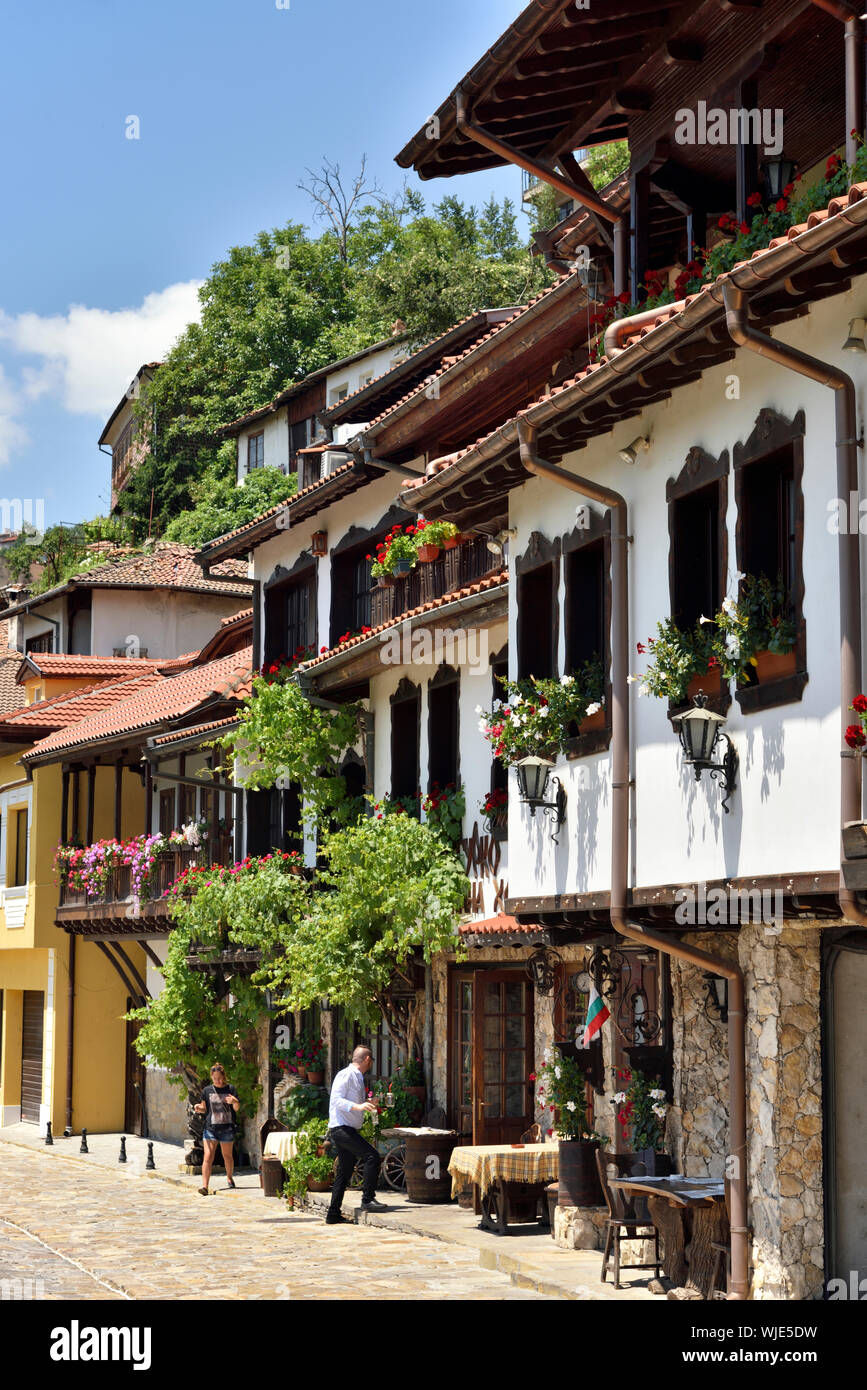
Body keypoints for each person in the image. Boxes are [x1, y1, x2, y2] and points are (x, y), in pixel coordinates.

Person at [326, 1045, 389, 1225]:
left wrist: (368, 1102)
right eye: (371, 1062)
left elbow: (352, 1101)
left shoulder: (357, 1077)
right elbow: (336, 1100)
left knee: (344, 1171)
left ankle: (333, 1214)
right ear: (367, 1060)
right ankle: (367, 1199)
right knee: (372, 1156)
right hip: (341, 1129)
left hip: (346, 1129)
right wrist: (359, 1107)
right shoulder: (346, 1074)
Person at [194, 1063, 240, 1195]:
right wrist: (198, 1107)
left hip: (227, 1128)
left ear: (224, 1076)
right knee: (208, 1156)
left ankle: (229, 1178)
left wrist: (235, 1101)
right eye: (215, 1078)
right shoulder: (207, 1090)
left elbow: (236, 1109)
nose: (217, 1081)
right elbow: (204, 1108)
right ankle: (205, 1186)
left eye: (219, 1078)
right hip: (210, 1128)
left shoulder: (231, 1089)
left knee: (228, 1157)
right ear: (211, 1077)